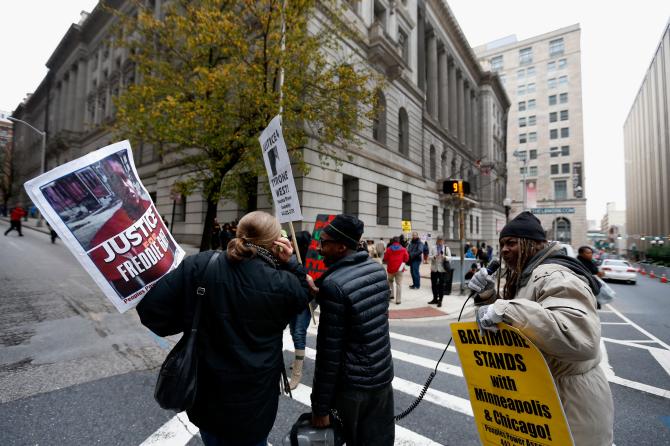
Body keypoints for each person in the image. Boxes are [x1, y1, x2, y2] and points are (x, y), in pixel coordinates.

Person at [137, 211, 315, 446]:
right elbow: (305, 294)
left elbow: (152, 312)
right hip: (256, 398)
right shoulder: (284, 283)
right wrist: (291, 263)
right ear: (276, 243)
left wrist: (193, 318)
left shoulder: (201, 264)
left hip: (208, 393)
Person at [468, 212, 614, 445]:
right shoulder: (528, 274)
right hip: (544, 403)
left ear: (535, 244)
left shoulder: (556, 274)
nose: (504, 250)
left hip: (570, 406)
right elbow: (524, 328)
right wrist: (488, 297)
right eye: (502, 244)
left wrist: (506, 309)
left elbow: (580, 337)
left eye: (512, 243)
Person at [310, 214, 394, 445]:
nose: (319, 248)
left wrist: (320, 407)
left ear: (341, 246)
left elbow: (329, 354)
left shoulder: (334, 285)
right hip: (382, 378)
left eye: (324, 243)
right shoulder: (377, 271)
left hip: (353, 389)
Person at [88, 158, 175, 297]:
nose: (125, 186)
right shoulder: (104, 237)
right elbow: (132, 294)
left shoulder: (148, 207)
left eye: (124, 177)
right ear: (112, 189)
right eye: (116, 181)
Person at [288, 230, 313, 390]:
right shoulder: (291, 258)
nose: (290, 243)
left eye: (293, 241)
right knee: (292, 330)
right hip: (293, 298)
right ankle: (298, 358)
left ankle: (296, 374)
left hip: (308, 300)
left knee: (298, 332)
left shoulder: (313, 260)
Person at [384, 236, 409, 305]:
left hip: (390, 268)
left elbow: (385, 258)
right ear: (399, 241)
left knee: (390, 282)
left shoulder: (388, 249)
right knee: (399, 284)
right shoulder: (403, 249)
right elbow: (406, 258)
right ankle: (398, 300)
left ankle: (391, 295)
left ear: (392, 241)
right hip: (400, 269)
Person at [428, 237, 451, 307]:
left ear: (443, 241)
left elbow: (450, 258)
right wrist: (434, 257)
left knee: (441, 285)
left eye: (441, 241)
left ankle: (440, 300)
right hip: (434, 269)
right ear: (437, 241)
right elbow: (429, 257)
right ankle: (435, 299)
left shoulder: (446, 248)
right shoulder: (433, 247)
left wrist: (445, 257)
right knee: (433, 285)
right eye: (439, 241)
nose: (440, 242)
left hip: (442, 270)